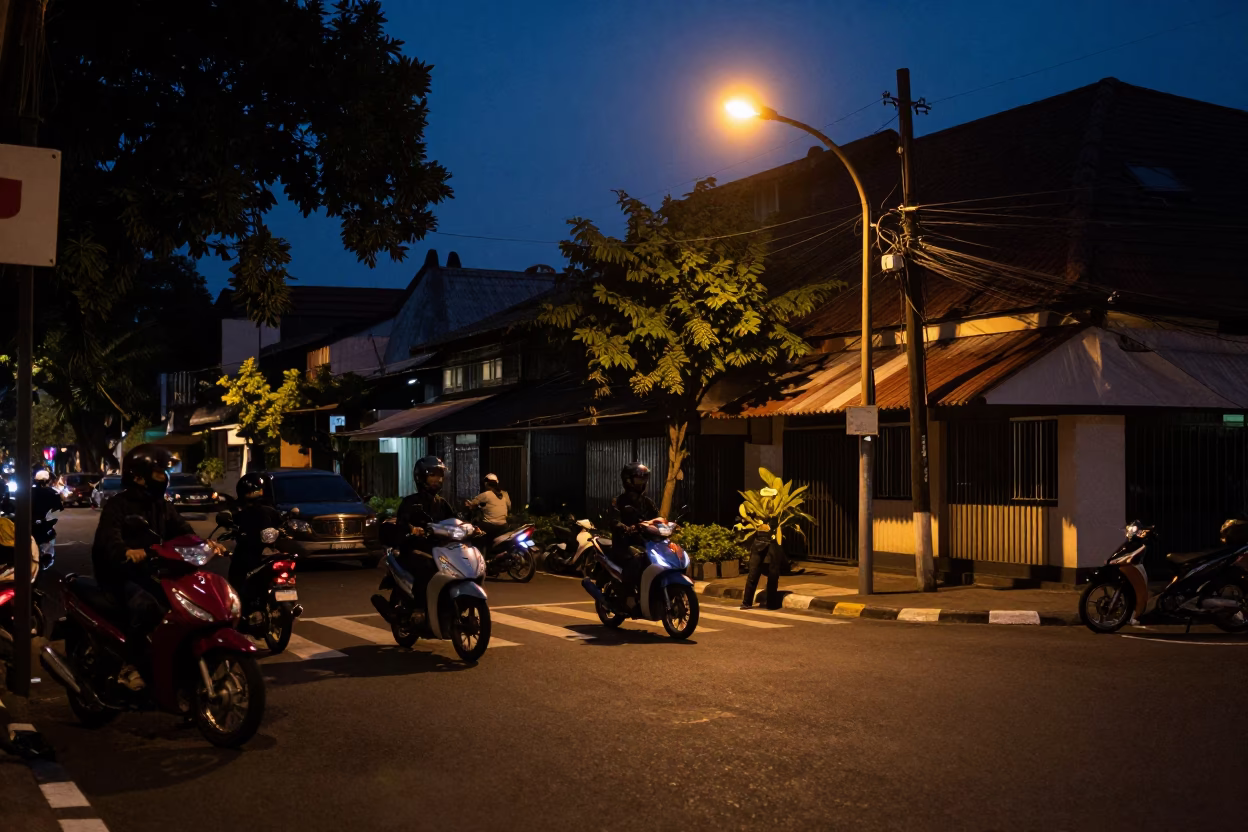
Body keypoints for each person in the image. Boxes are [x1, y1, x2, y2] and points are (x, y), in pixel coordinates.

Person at [91, 445, 217, 691]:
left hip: (152, 571)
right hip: (119, 574)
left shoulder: (162, 505)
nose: (164, 477)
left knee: (184, 603)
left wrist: (204, 545)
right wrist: (126, 552)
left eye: (164, 472)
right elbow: (109, 539)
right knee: (145, 606)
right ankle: (130, 665)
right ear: (138, 477)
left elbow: (182, 531)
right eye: (159, 472)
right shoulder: (118, 505)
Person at [226, 472, 284, 601]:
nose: (256, 494)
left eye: (257, 490)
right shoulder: (240, 509)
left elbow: (281, 522)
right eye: (252, 491)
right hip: (250, 547)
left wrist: (285, 529)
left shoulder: (270, 509)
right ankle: (240, 602)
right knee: (237, 573)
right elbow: (231, 517)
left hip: (268, 549)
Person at [609, 461, 658, 608]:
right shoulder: (619, 501)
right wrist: (623, 527)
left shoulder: (647, 502)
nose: (641, 483)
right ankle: (629, 594)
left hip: (643, 542)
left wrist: (666, 525)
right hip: (623, 543)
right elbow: (613, 520)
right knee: (636, 560)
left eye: (644, 479)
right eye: (638, 479)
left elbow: (656, 517)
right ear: (628, 481)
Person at [740, 528, 784, 610]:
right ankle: (747, 602)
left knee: (772, 574)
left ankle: (771, 603)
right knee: (754, 573)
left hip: (771, 540)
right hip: (760, 539)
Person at [465, 473, 511, 540]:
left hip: (490, 525)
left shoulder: (485, 495)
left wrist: (468, 504)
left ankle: (480, 549)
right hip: (504, 525)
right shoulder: (505, 494)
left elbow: (471, 504)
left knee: (474, 531)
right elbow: (509, 507)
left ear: (486, 484)